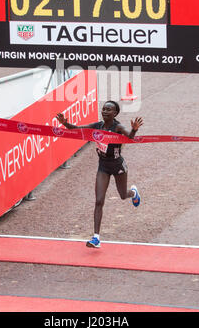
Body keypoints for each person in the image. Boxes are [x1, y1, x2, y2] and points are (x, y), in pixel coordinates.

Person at [56, 101, 143, 248]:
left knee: (123, 195)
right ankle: (96, 237)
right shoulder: (97, 126)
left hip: (118, 166)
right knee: (98, 201)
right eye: (104, 109)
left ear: (115, 114)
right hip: (103, 166)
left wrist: (134, 130)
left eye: (109, 110)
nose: (105, 111)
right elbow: (77, 129)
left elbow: (130, 138)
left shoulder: (118, 127)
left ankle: (133, 193)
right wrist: (65, 123)